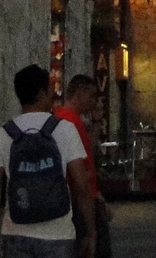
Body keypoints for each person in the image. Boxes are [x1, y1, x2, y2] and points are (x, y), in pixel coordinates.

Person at [0, 63, 94, 258]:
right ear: (42, 92)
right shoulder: (65, 130)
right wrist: (91, 231)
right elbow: (82, 187)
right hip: (58, 234)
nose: (54, 93)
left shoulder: (3, 135)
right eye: (51, 88)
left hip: (16, 233)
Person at [55, 76, 112, 258]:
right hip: (81, 199)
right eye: (92, 96)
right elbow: (80, 169)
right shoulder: (69, 121)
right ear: (80, 93)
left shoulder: (70, 119)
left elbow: (87, 153)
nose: (94, 102)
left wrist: (96, 123)